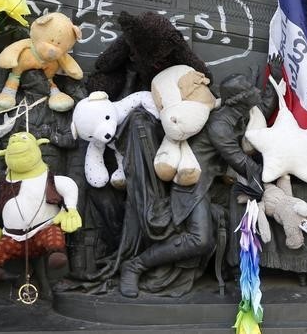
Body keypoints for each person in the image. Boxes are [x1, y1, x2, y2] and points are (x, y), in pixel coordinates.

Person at [119, 68, 279, 298]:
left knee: (242, 205)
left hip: (213, 184)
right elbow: (240, 161)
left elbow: (261, 108)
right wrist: (272, 178)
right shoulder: (220, 125)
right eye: (251, 90)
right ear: (240, 100)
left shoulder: (239, 113)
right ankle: (135, 266)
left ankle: (235, 269)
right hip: (192, 185)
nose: (256, 92)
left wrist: (276, 80)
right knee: (200, 240)